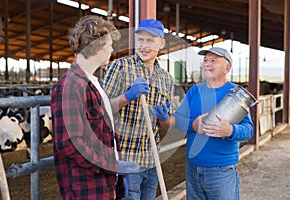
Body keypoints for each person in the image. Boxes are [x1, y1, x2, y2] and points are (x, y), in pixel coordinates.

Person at [51, 15, 140, 200]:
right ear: (96, 47)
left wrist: (116, 170)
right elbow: (70, 144)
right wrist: (112, 165)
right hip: (86, 187)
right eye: (108, 45)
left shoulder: (93, 83)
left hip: (104, 184)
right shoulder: (70, 86)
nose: (112, 49)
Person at [101, 19, 175, 199]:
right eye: (140, 40)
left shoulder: (166, 79)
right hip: (126, 160)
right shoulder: (119, 67)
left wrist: (164, 118)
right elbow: (100, 109)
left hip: (152, 160)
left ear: (162, 43)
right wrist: (127, 96)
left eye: (150, 40)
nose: (144, 46)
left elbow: (169, 125)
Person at [171, 47, 254, 199]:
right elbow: (177, 121)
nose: (207, 64)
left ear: (227, 68)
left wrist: (230, 130)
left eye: (213, 61)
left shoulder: (235, 94)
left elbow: (248, 129)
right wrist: (194, 125)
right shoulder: (194, 91)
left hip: (221, 170)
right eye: (205, 60)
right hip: (192, 167)